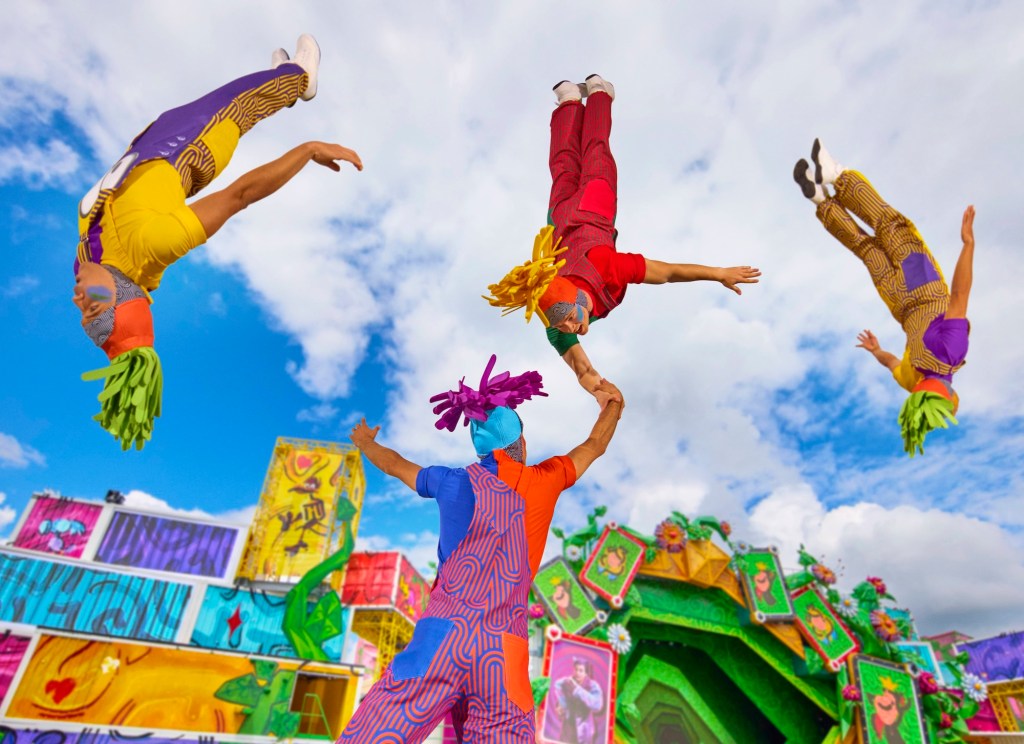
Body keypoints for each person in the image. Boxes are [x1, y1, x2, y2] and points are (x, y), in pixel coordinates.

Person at [74, 34, 363, 450]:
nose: (79, 302)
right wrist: (309, 148)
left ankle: (275, 80)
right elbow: (240, 195)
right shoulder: (155, 245)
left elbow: (100, 307)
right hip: (187, 153)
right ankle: (299, 77)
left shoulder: (88, 263)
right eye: (94, 306)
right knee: (234, 106)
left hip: (142, 152)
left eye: (84, 315)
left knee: (183, 110)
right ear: (118, 293)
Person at [337, 355, 623, 743]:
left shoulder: (449, 481)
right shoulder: (547, 479)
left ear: (481, 448)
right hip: (502, 654)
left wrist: (367, 443)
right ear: (520, 439)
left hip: (441, 639)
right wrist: (613, 405)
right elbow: (594, 445)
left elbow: (394, 465)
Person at [485, 75, 760, 408]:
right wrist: (600, 393)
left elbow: (669, 272)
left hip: (588, 208)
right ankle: (571, 101)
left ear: (574, 296)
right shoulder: (556, 324)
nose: (573, 327)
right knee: (564, 168)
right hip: (562, 219)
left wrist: (718, 273)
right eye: (564, 323)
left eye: (569, 317)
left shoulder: (606, 268)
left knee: (590, 154)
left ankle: (599, 95)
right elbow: (582, 368)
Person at [793, 139, 975, 456]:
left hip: (923, 288)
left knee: (891, 227)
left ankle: (837, 176)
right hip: (897, 303)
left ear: (950, 396)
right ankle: (821, 202)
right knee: (867, 249)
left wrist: (968, 245)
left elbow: (959, 294)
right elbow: (891, 362)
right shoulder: (910, 380)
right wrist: (876, 350)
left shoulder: (951, 355)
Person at [553, 658, 604, 744]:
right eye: (576, 669)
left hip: (584, 730)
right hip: (568, 728)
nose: (577, 673)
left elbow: (597, 705)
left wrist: (577, 690)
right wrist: (562, 705)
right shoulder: (568, 682)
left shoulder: (593, 685)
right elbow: (557, 685)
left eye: (581, 670)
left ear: (586, 673)